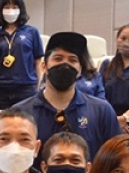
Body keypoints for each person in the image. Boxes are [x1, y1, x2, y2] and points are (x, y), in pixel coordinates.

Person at [11, 31, 121, 161]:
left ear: (80, 70)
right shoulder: (20, 113)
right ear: (44, 66)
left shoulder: (102, 111)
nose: (65, 64)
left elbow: (116, 158)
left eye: (72, 60)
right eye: (58, 59)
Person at [0, 0, 42, 110]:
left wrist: (38, 86)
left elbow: (38, 61)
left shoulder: (32, 32)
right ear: (1, 10)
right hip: (0, 89)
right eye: (7, 7)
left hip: (26, 88)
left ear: (21, 9)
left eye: (14, 7)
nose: (11, 11)